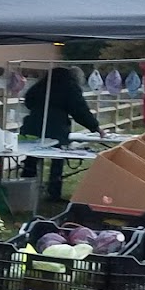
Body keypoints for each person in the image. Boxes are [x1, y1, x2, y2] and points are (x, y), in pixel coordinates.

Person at [19, 66, 104, 201]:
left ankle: (25, 189)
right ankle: (53, 192)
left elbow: (28, 101)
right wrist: (95, 127)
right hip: (56, 128)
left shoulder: (41, 86)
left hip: (32, 126)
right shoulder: (70, 88)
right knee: (57, 160)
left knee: (31, 159)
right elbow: (80, 110)